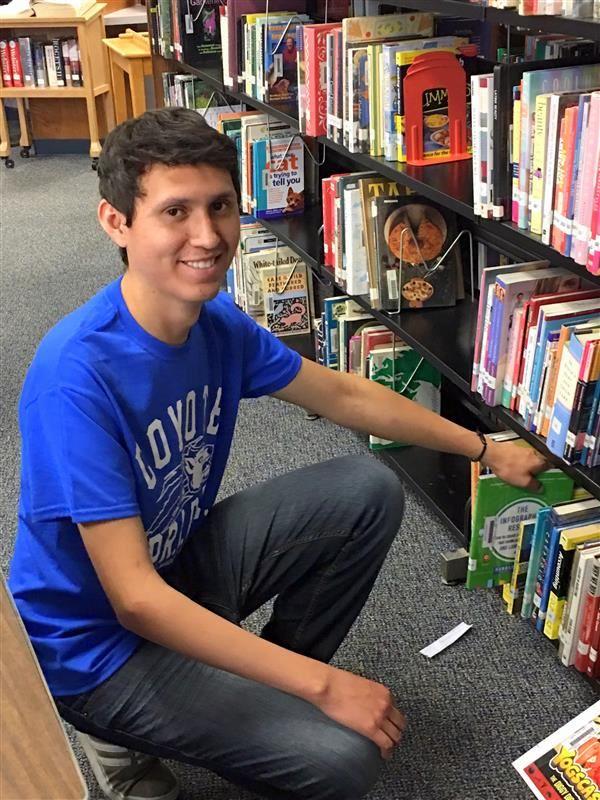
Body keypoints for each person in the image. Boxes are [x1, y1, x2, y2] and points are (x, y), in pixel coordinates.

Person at [8, 107, 549, 800]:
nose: (207, 236)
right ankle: (120, 738)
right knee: (344, 758)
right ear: (117, 223)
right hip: (94, 648)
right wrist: (325, 689)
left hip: (172, 570)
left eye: (220, 207)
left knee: (365, 489)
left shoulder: (216, 324)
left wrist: (483, 449)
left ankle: (255, 704)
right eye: (175, 211)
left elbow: (347, 398)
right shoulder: (74, 379)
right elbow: (134, 601)